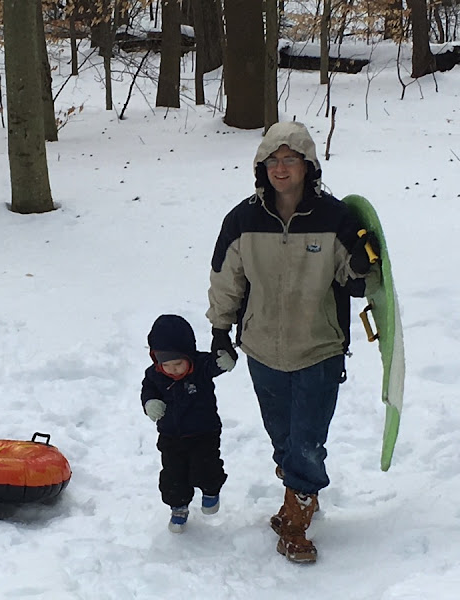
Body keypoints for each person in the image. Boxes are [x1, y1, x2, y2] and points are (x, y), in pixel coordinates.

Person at [206, 121, 379, 563]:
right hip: (262, 349)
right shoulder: (243, 220)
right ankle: (298, 492)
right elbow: (226, 279)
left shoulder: (335, 218)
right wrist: (220, 331)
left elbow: (355, 280)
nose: (280, 169)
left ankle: (296, 519)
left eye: (290, 160)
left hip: (318, 349)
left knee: (307, 440)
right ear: (261, 168)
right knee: (282, 438)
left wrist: (362, 264)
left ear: (308, 166)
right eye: (272, 161)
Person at [141, 314, 236, 533]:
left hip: (204, 433)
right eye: (166, 365)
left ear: (189, 355)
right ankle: (178, 507)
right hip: (170, 436)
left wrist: (226, 359)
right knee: (173, 475)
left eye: (178, 363)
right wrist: (150, 403)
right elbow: (148, 391)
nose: (173, 369)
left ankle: (211, 490)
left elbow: (216, 363)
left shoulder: (201, 367)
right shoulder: (154, 376)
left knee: (205, 468)